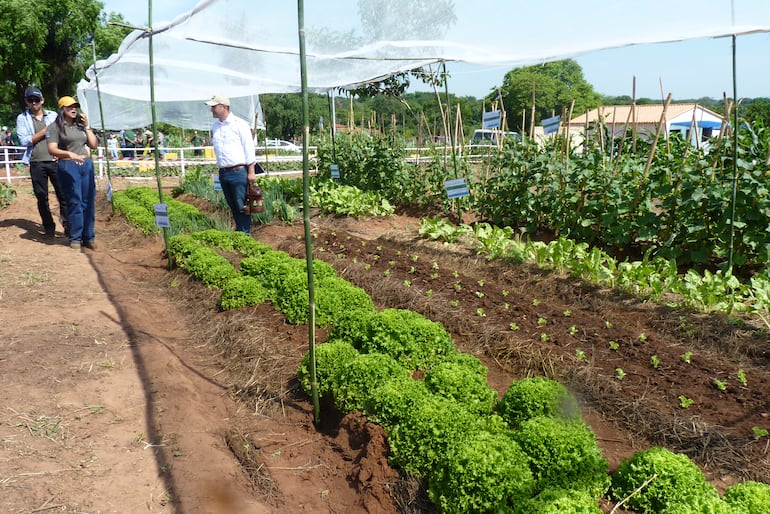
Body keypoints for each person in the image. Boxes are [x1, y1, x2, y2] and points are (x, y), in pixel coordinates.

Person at [15, 86, 69, 238]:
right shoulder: (22, 118)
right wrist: (46, 130)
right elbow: (25, 140)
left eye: (36, 99)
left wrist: (61, 152)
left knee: (63, 194)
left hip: (56, 161)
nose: (34, 103)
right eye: (30, 100)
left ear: (42, 100)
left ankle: (67, 224)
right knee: (41, 196)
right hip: (36, 162)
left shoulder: (52, 115)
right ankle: (48, 226)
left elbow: (62, 134)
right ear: (26, 101)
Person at [46, 96, 98, 250]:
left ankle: (88, 237)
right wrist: (69, 154)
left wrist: (88, 127)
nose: (73, 109)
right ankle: (75, 237)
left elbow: (93, 144)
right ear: (62, 109)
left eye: (75, 106)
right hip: (69, 165)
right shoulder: (54, 128)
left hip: (86, 164)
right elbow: (52, 149)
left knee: (88, 201)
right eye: (69, 107)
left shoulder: (80, 127)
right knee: (75, 201)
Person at [205, 93, 256, 234]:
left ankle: (245, 234)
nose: (212, 110)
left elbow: (249, 148)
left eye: (214, 107)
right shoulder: (215, 127)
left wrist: (251, 172)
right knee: (232, 205)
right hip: (224, 172)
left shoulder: (239, 124)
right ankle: (240, 231)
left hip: (238, 171)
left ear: (224, 107)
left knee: (242, 205)